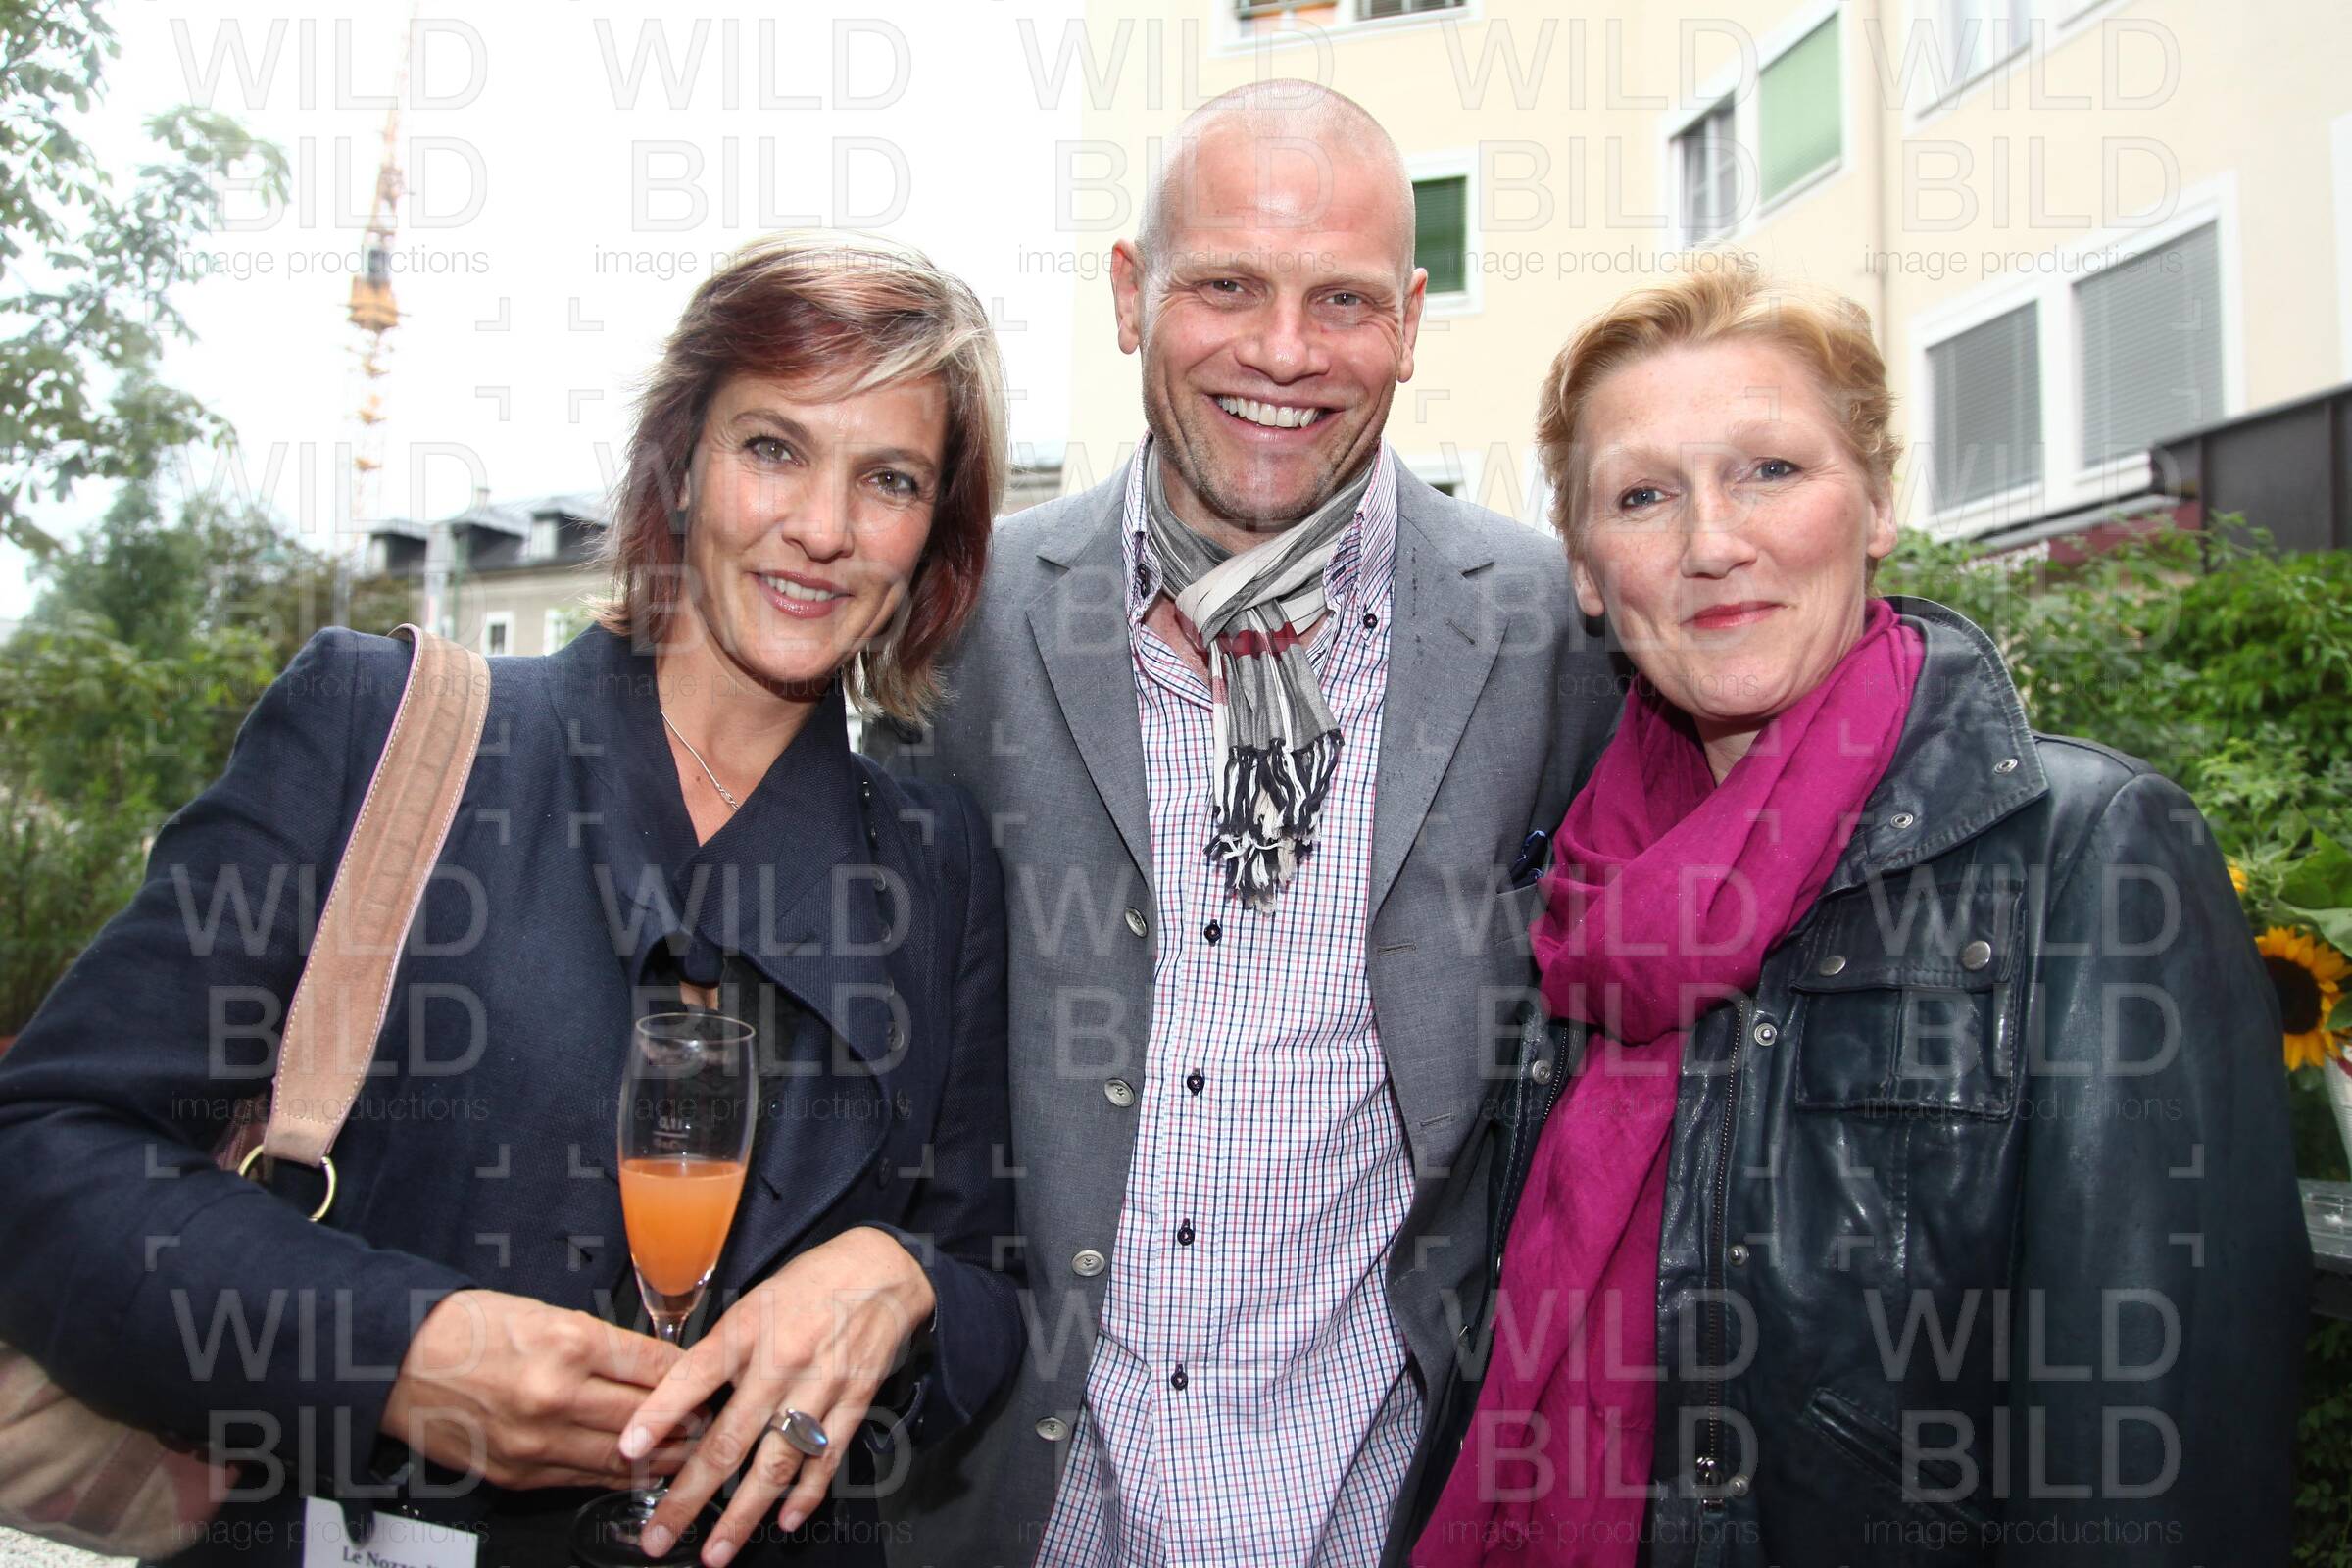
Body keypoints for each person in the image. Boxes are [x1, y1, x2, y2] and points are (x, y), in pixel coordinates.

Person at [0, 232, 1024, 1568]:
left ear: (935, 533)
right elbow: (49, 1155)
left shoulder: (939, 863)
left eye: (889, 479)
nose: (824, 530)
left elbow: (989, 1275)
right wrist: (395, 1351)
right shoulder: (382, 732)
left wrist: (904, 1283)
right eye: (773, 447)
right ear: (679, 466)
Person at [1404, 270, 2310, 1565]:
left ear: (1877, 504)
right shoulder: (1572, 886)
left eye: (1771, 470)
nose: (1713, 541)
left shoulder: (2087, 857)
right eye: (1643, 495)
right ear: (1589, 572)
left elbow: (2150, 1473)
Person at [863, 81, 1616, 1566]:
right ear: (1131, 295)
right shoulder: (959, 619)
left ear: (1409, 322)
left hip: (1392, 1512)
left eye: (1343, 300)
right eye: (1225, 286)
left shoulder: (1552, 628)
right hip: (1032, 1513)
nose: (1283, 352)